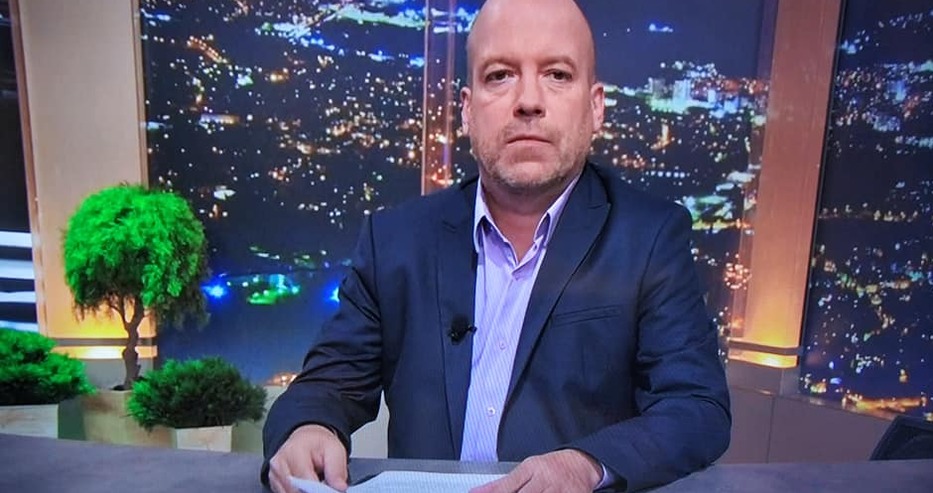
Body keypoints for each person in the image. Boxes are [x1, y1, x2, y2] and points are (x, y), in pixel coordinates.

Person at [262, 0, 731, 491]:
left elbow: (695, 407)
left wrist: (586, 465)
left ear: (596, 107)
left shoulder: (649, 238)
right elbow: (327, 383)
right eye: (500, 75)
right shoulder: (395, 241)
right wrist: (307, 428)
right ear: (467, 110)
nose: (528, 101)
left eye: (557, 74)